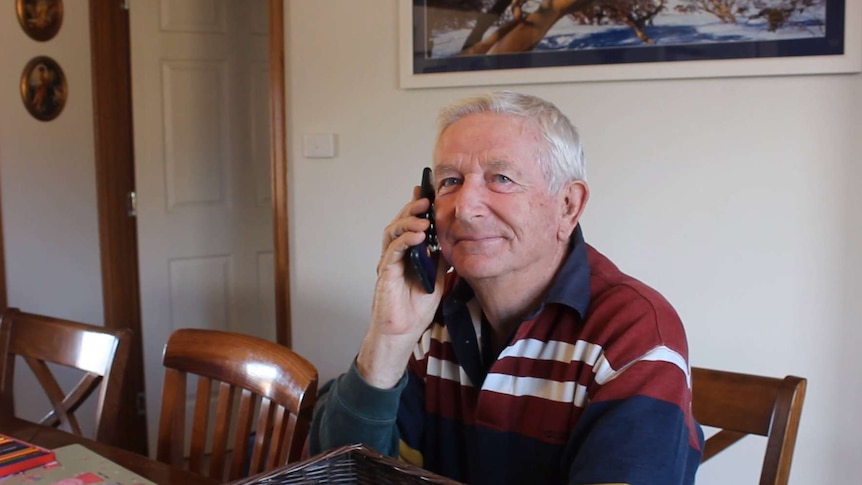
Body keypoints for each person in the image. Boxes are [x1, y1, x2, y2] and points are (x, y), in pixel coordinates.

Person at [308, 91, 703, 484]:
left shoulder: (633, 333)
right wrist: (389, 337)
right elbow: (335, 475)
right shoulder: (427, 310)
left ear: (567, 205)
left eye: (501, 178)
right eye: (450, 181)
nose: (465, 206)